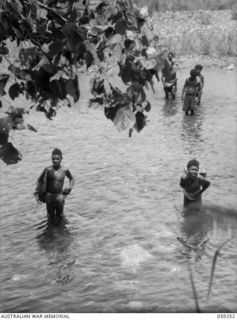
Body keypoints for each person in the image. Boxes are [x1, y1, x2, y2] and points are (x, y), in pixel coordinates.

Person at [34, 148, 74, 220]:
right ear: (51, 158)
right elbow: (39, 180)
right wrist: (37, 193)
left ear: (61, 159)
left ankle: (61, 230)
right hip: (49, 197)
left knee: (60, 216)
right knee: (50, 216)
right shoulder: (48, 169)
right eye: (53, 159)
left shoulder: (65, 170)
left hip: (59, 196)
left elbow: (72, 178)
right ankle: (50, 229)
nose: (55, 161)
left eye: (57, 159)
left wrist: (70, 187)